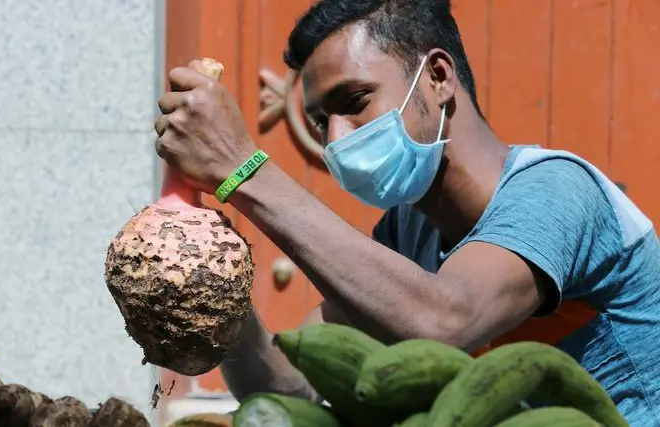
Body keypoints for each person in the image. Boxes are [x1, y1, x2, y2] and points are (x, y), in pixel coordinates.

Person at [153, 0, 660, 424]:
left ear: (437, 76)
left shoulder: (554, 191)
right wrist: (211, 289)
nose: (334, 139)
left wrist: (242, 171)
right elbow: (290, 384)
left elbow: (447, 319)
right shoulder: (408, 231)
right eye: (320, 121)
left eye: (354, 100)